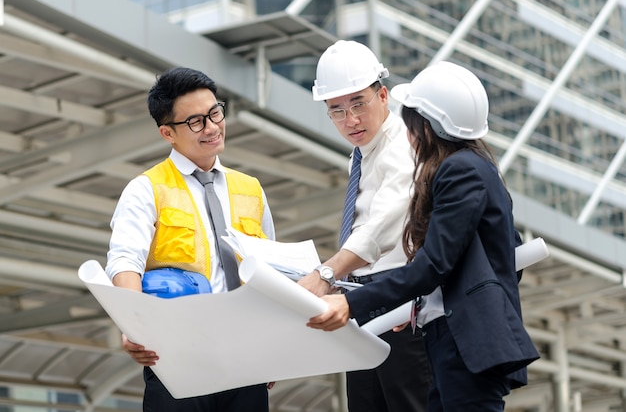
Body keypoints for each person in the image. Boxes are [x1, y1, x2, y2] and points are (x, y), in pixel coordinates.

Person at [306, 61, 540, 411]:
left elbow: (435, 263)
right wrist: (418, 303)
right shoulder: (472, 168)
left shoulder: (459, 171)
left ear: (426, 126)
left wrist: (353, 301)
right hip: (452, 338)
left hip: (463, 341)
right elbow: (497, 255)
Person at [105, 67, 275, 411]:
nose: (212, 127)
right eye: (196, 122)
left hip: (246, 358)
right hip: (177, 357)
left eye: (215, 113)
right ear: (167, 132)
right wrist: (136, 326)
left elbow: (270, 272)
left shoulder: (251, 189)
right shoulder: (146, 189)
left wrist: (272, 343)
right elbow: (124, 261)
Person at [298, 40, 430, 412]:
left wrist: (325, 273)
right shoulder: (361, 154)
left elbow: (382, 226)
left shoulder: (403, 144)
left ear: (383, 95)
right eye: (336, 110)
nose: (350, 120)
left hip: (400, 302)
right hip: (364, 301)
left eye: (358, 103)